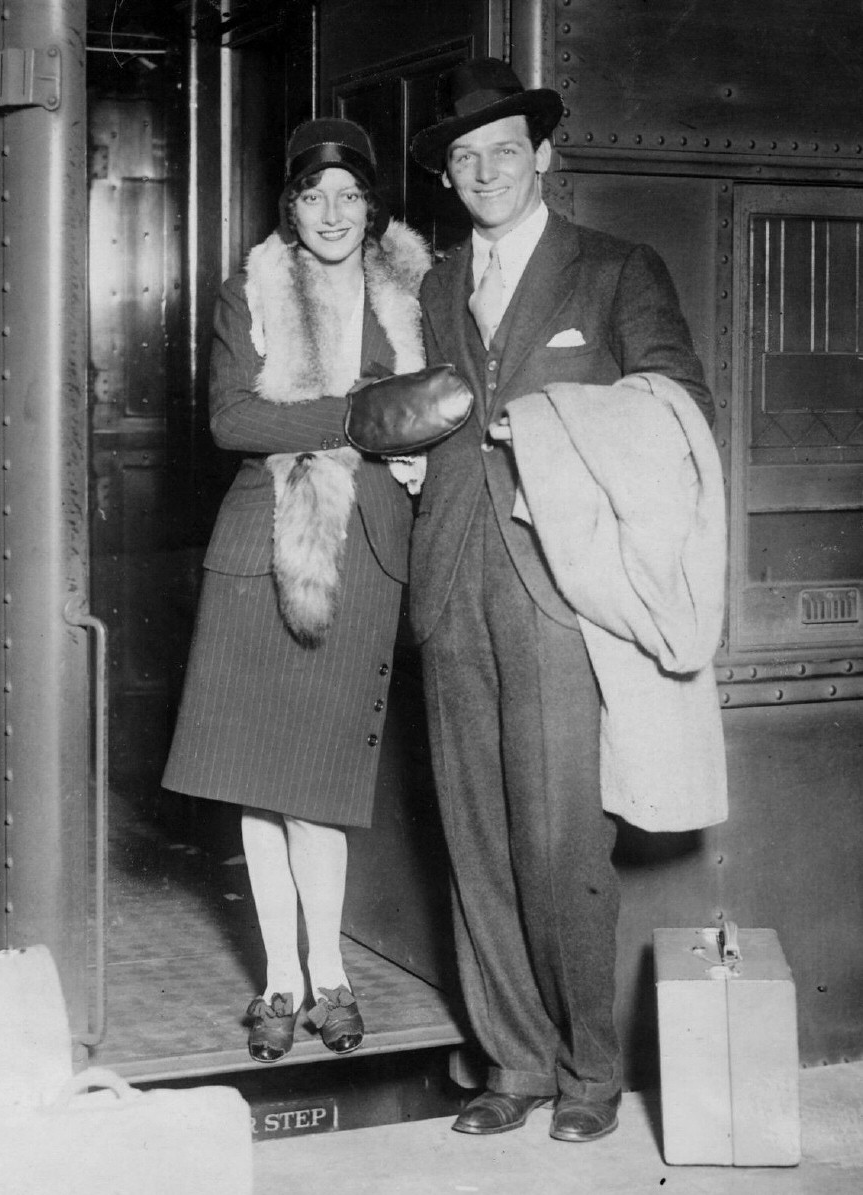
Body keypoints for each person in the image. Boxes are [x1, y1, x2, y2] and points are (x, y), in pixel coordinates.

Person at [408, 58, 718, 1142]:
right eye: (463, 157)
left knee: (558, 843)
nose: (484, 170)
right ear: (448, 178)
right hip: (447, 582)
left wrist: (548, 437)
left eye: (503, 149)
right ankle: (511, 1062)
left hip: (556, 592)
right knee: (474, 839)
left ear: (541, 155)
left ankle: (589, 1073)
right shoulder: (435, 286)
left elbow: (679, 409)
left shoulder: (614, 268)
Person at [163, 118, 430, 1063]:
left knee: (317, 786)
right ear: (291, 205)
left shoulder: (411, 293)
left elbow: (440, 409)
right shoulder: (253, 287)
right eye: (312, 195)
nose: (331, 213)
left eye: (349, 195)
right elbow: (234, 420)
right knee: (257, 783)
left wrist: (354, 424)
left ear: (371, 205)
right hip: (259, 548)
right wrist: (363, 414)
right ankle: (282, 981)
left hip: (361, 549)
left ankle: (332, 974)